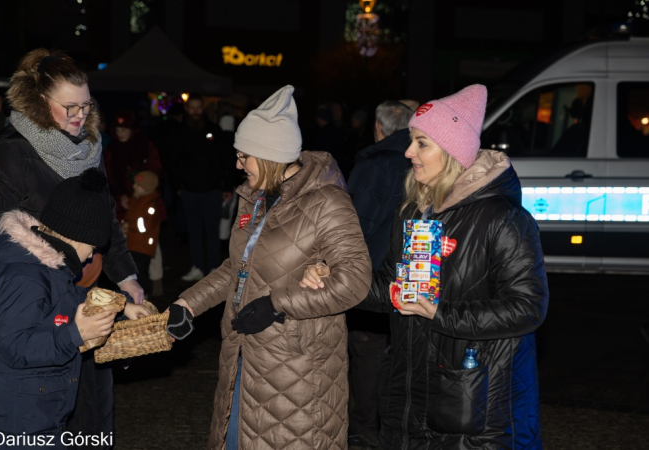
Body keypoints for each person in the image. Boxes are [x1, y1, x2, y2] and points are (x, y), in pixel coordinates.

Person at [301, 84, 549, 449]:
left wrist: (440, 312)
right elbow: (392, 286)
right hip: (410, 398)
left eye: (421, 143)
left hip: (478, 407)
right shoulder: (415, 212)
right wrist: (335, 280)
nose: (408, 152)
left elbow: (528, 308)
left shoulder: (504, 219)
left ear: (451, 152)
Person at [167, 85, 372, 449]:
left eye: (244, 156)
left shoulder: (326, 201)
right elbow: (236, 268)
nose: (237, 165)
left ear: (270, 156)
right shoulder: (256, 198)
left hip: (297, 372)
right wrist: (187, 304)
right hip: (243, 356)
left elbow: (355, 280)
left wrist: (276, 304)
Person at [0, 48, 144, 447]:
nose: (80, 116)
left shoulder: (89, 150)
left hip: (82, 295)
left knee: (85, 409)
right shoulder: (6, 152)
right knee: (36, 407)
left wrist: (128, 278)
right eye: (69, 106)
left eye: (87, 106)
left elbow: (105, 223)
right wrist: (45, 256)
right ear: (37, 102)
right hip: (31, 302)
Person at [0, 169, 148, 447]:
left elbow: (75, 299)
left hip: (38, 412)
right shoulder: (25, 276)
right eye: (91, 247)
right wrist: (75, 334)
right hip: (14, 422)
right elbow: (13, 346)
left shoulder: (50, 268)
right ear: (74, 237)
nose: (92, 255)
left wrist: (122, 305)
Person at [345, 100, 413, 449]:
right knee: (395, 350)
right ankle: (389, 424)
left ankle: (365, 427)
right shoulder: (418, 161)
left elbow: (356, 222)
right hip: (406, 271)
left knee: (367, 350)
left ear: (378, 127)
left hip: (371, 270)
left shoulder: (374, 164)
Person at [171, 94, 234, 282]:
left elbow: (226, 160)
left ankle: (214, 268)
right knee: (194, 232)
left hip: (212, 191)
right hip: (188, 192)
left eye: (199, 107)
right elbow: (173, 161)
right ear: (187, 109)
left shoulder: (214, 131)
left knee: (212, 232)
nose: (195, 111)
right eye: (192, 108)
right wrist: (177, 187)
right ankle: (197, 267)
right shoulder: (179, 132)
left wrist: (227, 186)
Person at [104, 109, 163, 222]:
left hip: (144, 198)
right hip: (121, 201)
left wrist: (142, 190)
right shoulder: (112, 149)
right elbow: (109, 174)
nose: (120, 134)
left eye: (124, 130)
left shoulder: (144, 145)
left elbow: (155, 170)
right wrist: (121, 195)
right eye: (117, 130)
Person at [121, 171, 163, 297]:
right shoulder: (137, 199)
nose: (134, 186)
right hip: (133, 243)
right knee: (133, 270)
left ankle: (145, 294)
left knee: (140, 272)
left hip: (142, 245)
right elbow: (132, 212)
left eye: (138, 185)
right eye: (134, 183)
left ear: (146, 188)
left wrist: (130, 225)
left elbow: (145, 226)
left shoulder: (151, 205)